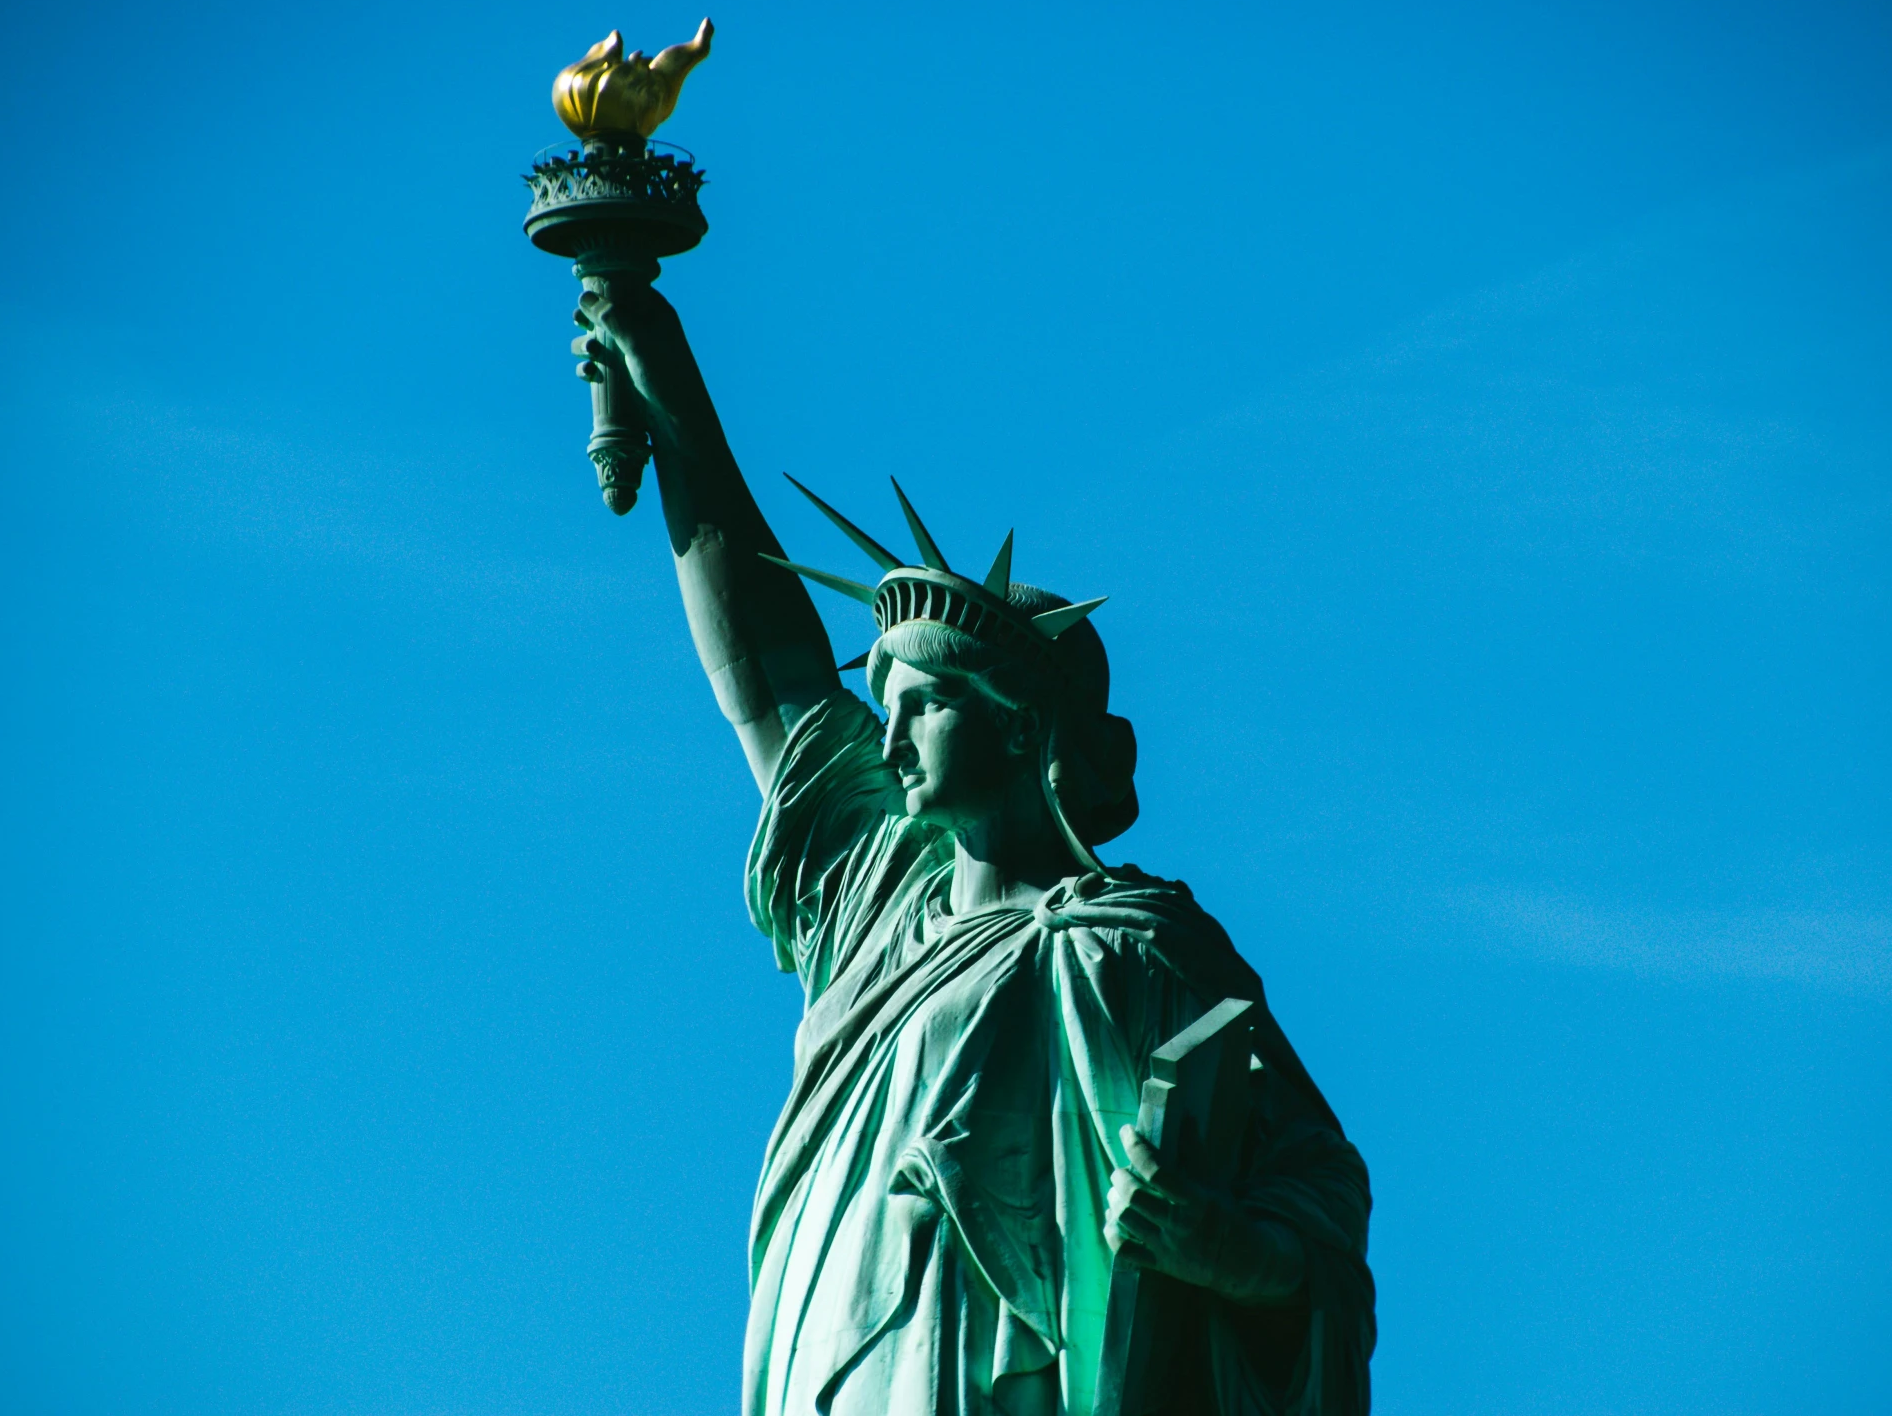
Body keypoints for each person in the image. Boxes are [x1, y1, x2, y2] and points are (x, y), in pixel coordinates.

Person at [573, 273, 1374, 1416]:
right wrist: (669, 390)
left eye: (923, 704)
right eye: (882, 702)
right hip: (839, 1361)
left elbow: (1317, 1188)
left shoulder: (1134, 950)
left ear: (1016, 723)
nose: (886, 735)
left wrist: (1223, 1246)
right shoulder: (880, 897)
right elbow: (771, 682)